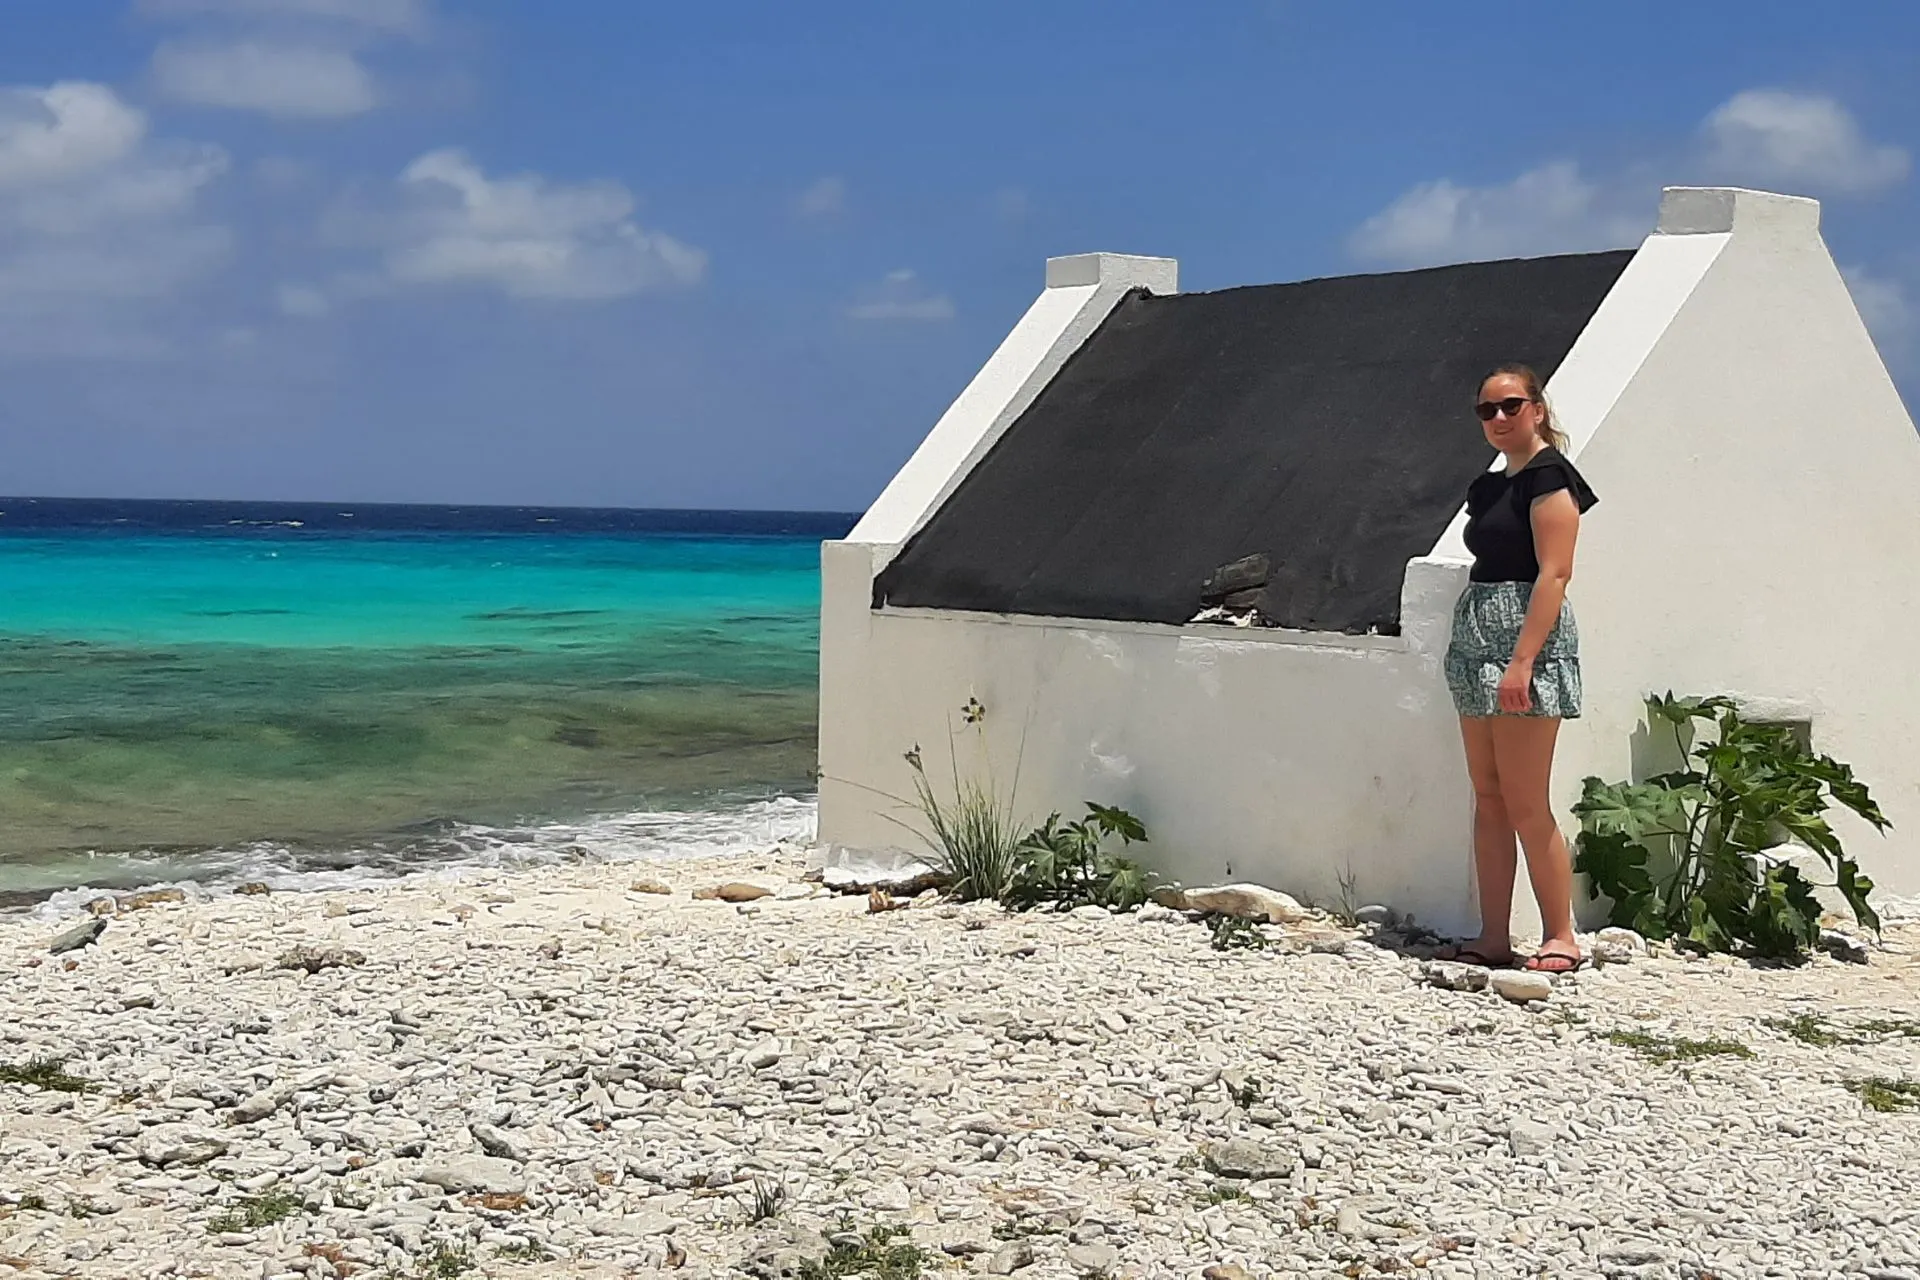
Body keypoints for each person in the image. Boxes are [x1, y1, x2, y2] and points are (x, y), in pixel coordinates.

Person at [1437, 364, 1597, 973]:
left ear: (1537, 408)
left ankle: (1561, 935)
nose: (1499, 419)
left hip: (1524, 645)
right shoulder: (1489, 486)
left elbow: (1554, 572)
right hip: (1476, 641)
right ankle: (1493, 935)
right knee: (1489, 795)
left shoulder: (1551, 479)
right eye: (1487, 410)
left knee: (1528, 800)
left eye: (1510, 406)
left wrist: (1522, 661)